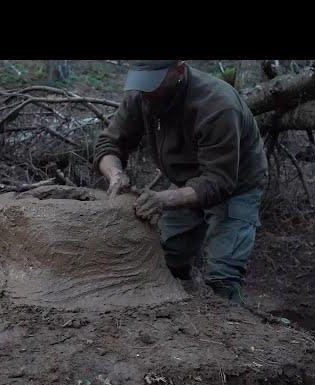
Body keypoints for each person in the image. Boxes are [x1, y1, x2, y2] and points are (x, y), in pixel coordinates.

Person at [93, 60, 268, 305]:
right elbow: (109, 144)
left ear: (179, 70)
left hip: (236, 183)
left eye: (153, 83)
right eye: (141, 82)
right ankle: (182, 308)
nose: (146, 92)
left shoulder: (218, 105)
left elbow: (219, 182)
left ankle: (229, 328)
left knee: (223, 274)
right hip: (187, 180)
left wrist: (162, 199)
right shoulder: (141, 97)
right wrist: (115, 174)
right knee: (163, 256)